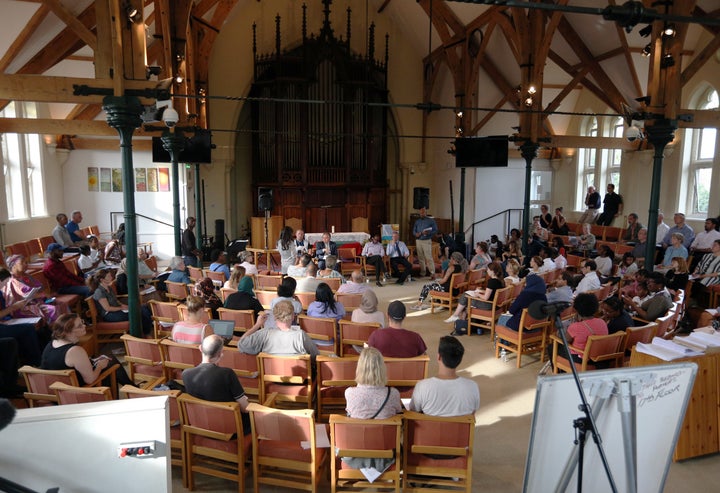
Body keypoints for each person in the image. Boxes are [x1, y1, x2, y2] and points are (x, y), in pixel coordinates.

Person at [182, 334, 251, 435]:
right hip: (230, 429)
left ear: (200, 348)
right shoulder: (227, 373)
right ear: (220, 354)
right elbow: (245, 409)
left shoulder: (186, 374)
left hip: (200, 425)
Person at [41, 313, 131, 386]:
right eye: (79, 326)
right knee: (111, 365)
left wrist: (93, 361)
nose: (84, 326)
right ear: (68, 332)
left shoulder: (52, 343)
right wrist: (99, 366)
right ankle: (132, 390)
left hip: (57, 389)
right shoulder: (75, 351)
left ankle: (132, 388)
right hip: (77, 393)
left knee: (109, 359)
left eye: (82, 322)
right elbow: (90, 380)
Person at [409, 336, 479, 416]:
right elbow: (472, 413)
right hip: (458, 429)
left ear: (439, 357)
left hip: (430, 428)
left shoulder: (422, 386)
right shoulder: (472, 386)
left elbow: (413, 412)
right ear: (459, 360)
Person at [236, 300, 318, 357]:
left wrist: (257, 325)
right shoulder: (300, 335)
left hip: (270, 379)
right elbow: (315, 355)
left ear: (274, 317)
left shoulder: (264, 334)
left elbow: (241, 344)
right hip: (299, 379)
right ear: (293, 317)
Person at [3, 254, 66, 324]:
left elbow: (39, 287)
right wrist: (43, 294)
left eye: (26, 262)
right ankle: (56, 330)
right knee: (53, 309)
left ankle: (69, 327)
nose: (26, 264)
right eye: (22, 262)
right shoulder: (13, 280)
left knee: (61, 304)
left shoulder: (27, 276)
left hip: (38, 301)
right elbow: (26, 295)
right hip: (23, 306)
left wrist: (46, 295)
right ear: (13, 266)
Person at [88, 269, 153, 334]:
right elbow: (107, 308)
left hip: (117, 310)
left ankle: (147, 330)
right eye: (108, 276)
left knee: (144, 307)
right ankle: (146, 333)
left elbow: (116, 301)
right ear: (102, 280)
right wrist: (121, 308)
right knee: (138, 313)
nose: (111, 277)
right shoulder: (99, 291)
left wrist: (125, 306)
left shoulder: (109, 288)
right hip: (109, 315)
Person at [0, 267, 42, 366]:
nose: (4, 286)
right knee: (28, 329)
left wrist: (17, 305)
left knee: (34, 325)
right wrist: (13, 307)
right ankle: (35, 362)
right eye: (4, 283)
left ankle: (36, 358)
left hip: (5, 321)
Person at [345, 347, 402, 419]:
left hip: (357, 430)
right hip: (386, 430)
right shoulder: (393, 393)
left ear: (359, 368)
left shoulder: (349, 393)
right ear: (382, 368)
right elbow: (399, 414)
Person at [555, 293, 609, 366]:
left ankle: (562, 372)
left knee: (553, 347)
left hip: (581, 359)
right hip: (598, 358)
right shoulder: (602, 322)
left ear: (577, 309)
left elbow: (566, 340)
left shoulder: (575, 326)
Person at [412, 207, 438, 279]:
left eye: (423, 212)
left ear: (426, 213)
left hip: (426, 240)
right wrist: (416, 234)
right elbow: (414, 230)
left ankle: (432, 273)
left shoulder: (431, 221)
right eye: (420, 213)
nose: (421, 214)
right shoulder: (417, 221)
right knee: (420, 258)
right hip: (418, 240)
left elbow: (435, 230)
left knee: (428, 257)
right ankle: (422, 272)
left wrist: (428, 233)